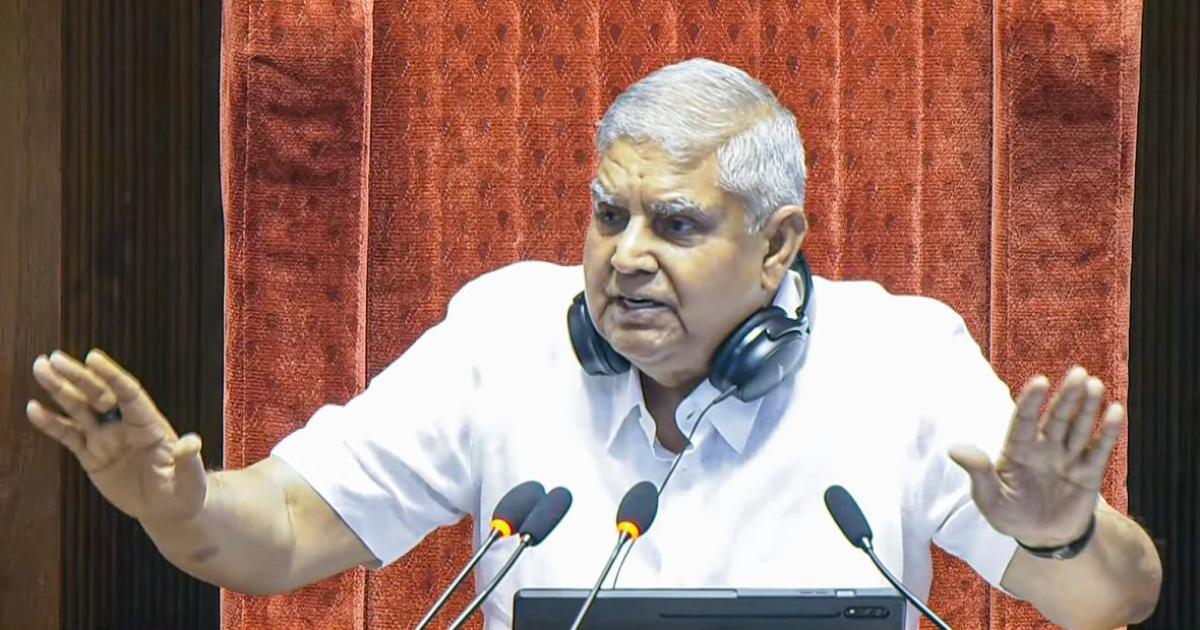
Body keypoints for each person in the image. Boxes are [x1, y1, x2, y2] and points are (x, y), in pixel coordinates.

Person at [27, 58, 1160, 629]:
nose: (626, 257)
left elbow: (1115, 599)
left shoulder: (899, 357)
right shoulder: (503, 333)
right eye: (609, 216)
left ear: (777, 247)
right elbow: (277, 534)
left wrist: (1058, 532)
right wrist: (176, 504)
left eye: (677, 226)